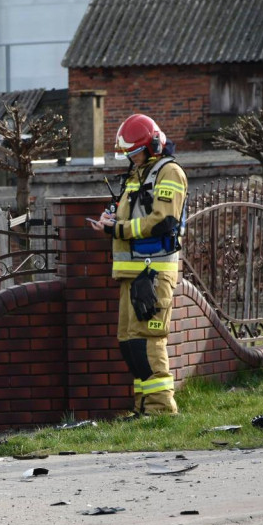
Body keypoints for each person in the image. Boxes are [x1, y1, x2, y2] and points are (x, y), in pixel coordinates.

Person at [89, 114, 187, 417]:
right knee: (130, 342)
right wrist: (111, 219)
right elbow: (133, 215)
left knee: (149, 339)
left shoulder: (168, 172)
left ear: (154, 145)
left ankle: (160, 410)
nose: (131, 157)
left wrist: (116, 230)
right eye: (128, 154)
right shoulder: (138, 174)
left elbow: (163, 221)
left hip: (153, 272)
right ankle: (144, 408)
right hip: (132, 273)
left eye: (135, 152)